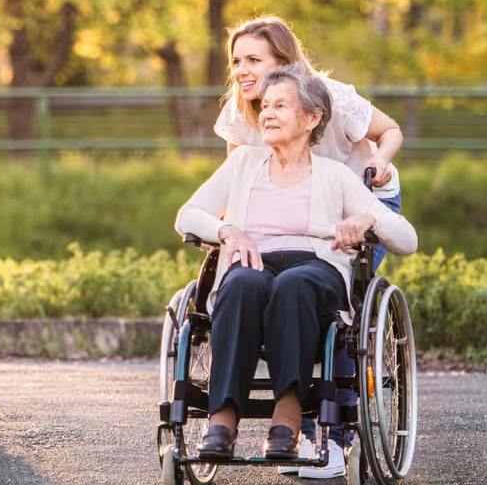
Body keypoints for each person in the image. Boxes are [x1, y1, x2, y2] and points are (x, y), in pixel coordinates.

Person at [174, 64, 417, 465]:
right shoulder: (243, 164)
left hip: (315, 268)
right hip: (253, 260)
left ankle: (286, 417)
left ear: (312, 118)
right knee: (241, 285)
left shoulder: (336, 176)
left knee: (294, 285)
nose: (267, 113)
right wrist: (227, 230)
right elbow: (188, 215)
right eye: (265, 105)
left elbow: (407, 238)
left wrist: (368, 219)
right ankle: (223, 418)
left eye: (281, 106)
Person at [216, 16, 403, 478]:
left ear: (284, 61)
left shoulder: (330, 96)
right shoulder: (242, 109)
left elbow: (390, 130)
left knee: (337, 312)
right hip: (292, 210)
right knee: (258, 283)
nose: (241, 69)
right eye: (236, 60)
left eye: (254, 59)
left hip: (360, 196)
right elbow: (239, 184)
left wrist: (378, 160)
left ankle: (335, 437)